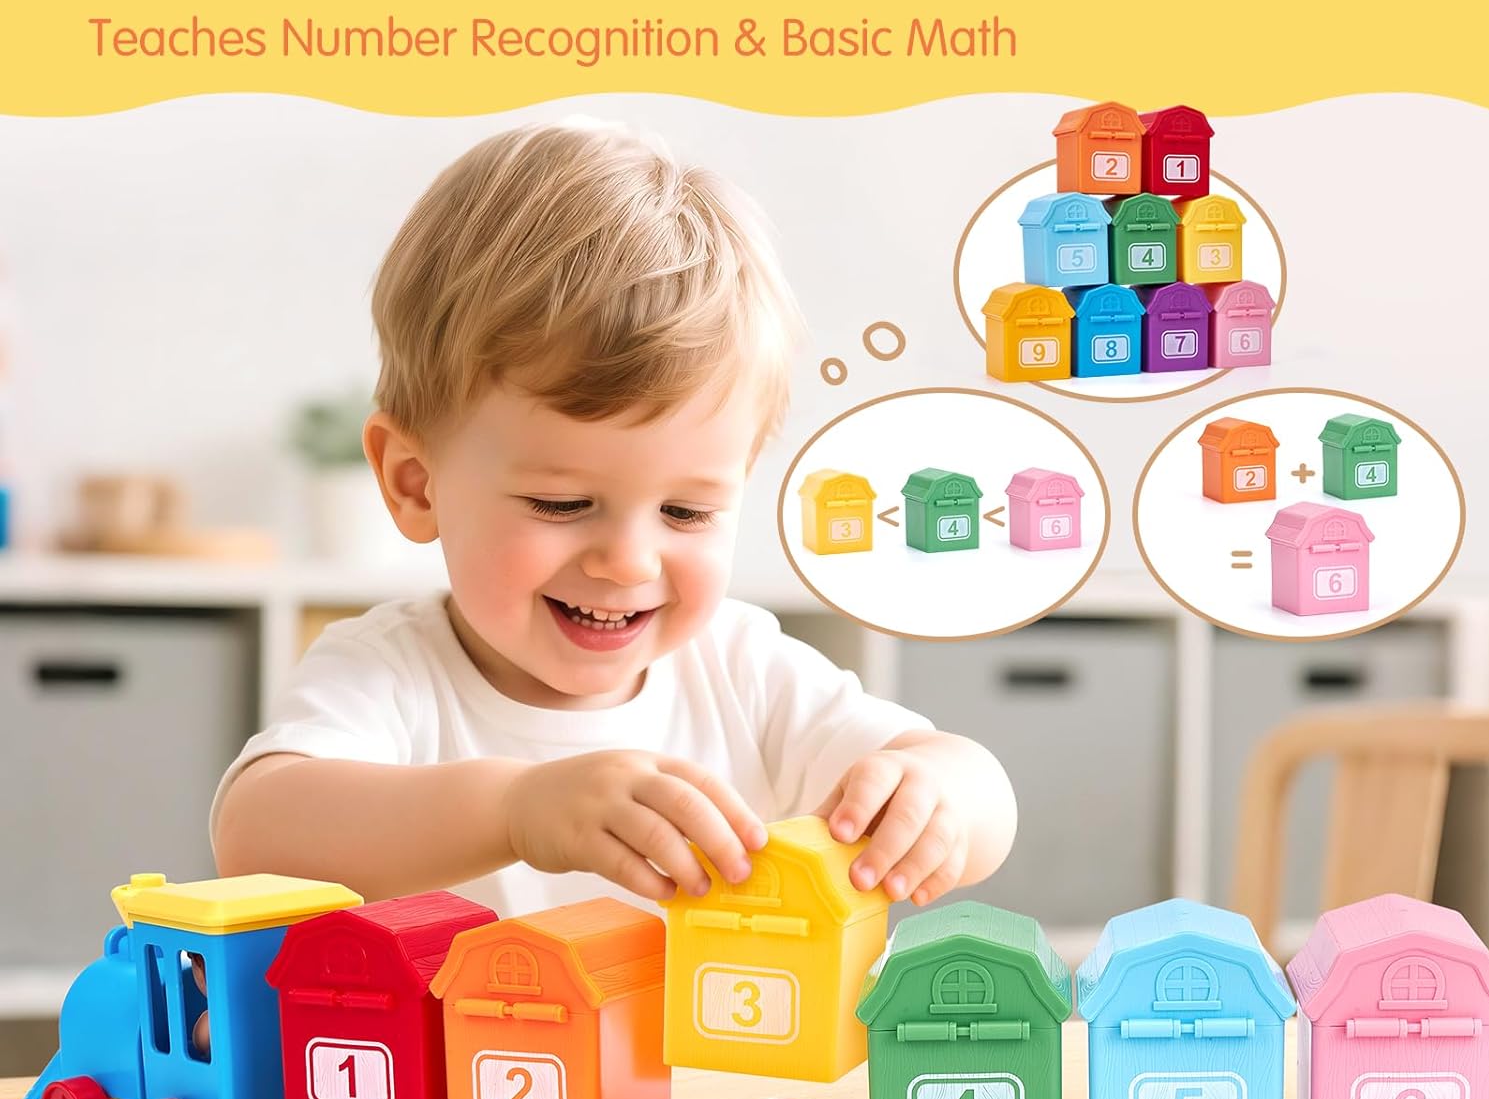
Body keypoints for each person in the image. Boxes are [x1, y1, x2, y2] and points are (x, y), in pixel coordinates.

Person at [212, 121, 1016, 917]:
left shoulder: (744, 673)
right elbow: (258, 833)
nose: (629, 562)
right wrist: (516, 810)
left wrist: (939, 793)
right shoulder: (391, 674)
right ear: (416, 484)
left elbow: (978, 797)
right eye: (561, 504)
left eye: (687, 510)